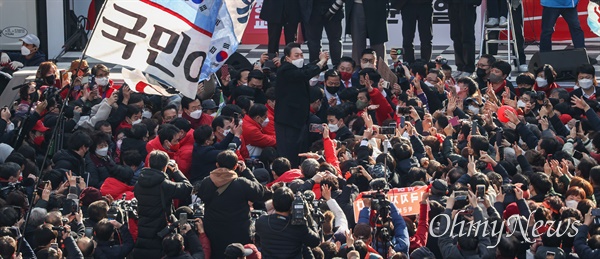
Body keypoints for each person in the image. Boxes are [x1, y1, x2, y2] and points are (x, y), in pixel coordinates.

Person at [196, 150, 269, 259]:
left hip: (214, 233)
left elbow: (201, 195)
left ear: (217, 165)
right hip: (239, 232)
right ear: (235, 166)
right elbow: (259, 192)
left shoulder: (207, 182)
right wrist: (246, 171)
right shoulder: (242, 183)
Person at [275, 43, 329, 168]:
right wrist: (320, 62)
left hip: (299, 120)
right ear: (288, 58)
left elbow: (306, 68)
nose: (300, 57)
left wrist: (320, 60)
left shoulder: (297, 69)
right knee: (288, 154)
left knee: (299, 151)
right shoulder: (285, 70)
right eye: (296, 55)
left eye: (301, 55)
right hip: (287, 121)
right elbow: (305, 74)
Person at [132, 150, 193, 258]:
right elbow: (187, 188)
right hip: (161, 229)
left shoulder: (138, 184)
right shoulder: (164, 185)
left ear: (149, 164)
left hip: (143, 227)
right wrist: (176, 171)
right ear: (165, 166)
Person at [255, 187, 321, 258]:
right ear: (291, 206)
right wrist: (308, 216)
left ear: (273, 204)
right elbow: (315, 241)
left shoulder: (261, 222)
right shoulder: (298, 226)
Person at [302, 0, 344, 66]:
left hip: (314, 7)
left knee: (314, 41)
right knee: (334, 40)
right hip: (321, 7)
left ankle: (315, 67)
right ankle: (336, 66)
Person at [446, 0, 481, 78]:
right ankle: (460, 67)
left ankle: (469, 68)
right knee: (456, 37)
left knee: (467, 37)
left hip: (467, 6)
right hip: (453, 5)